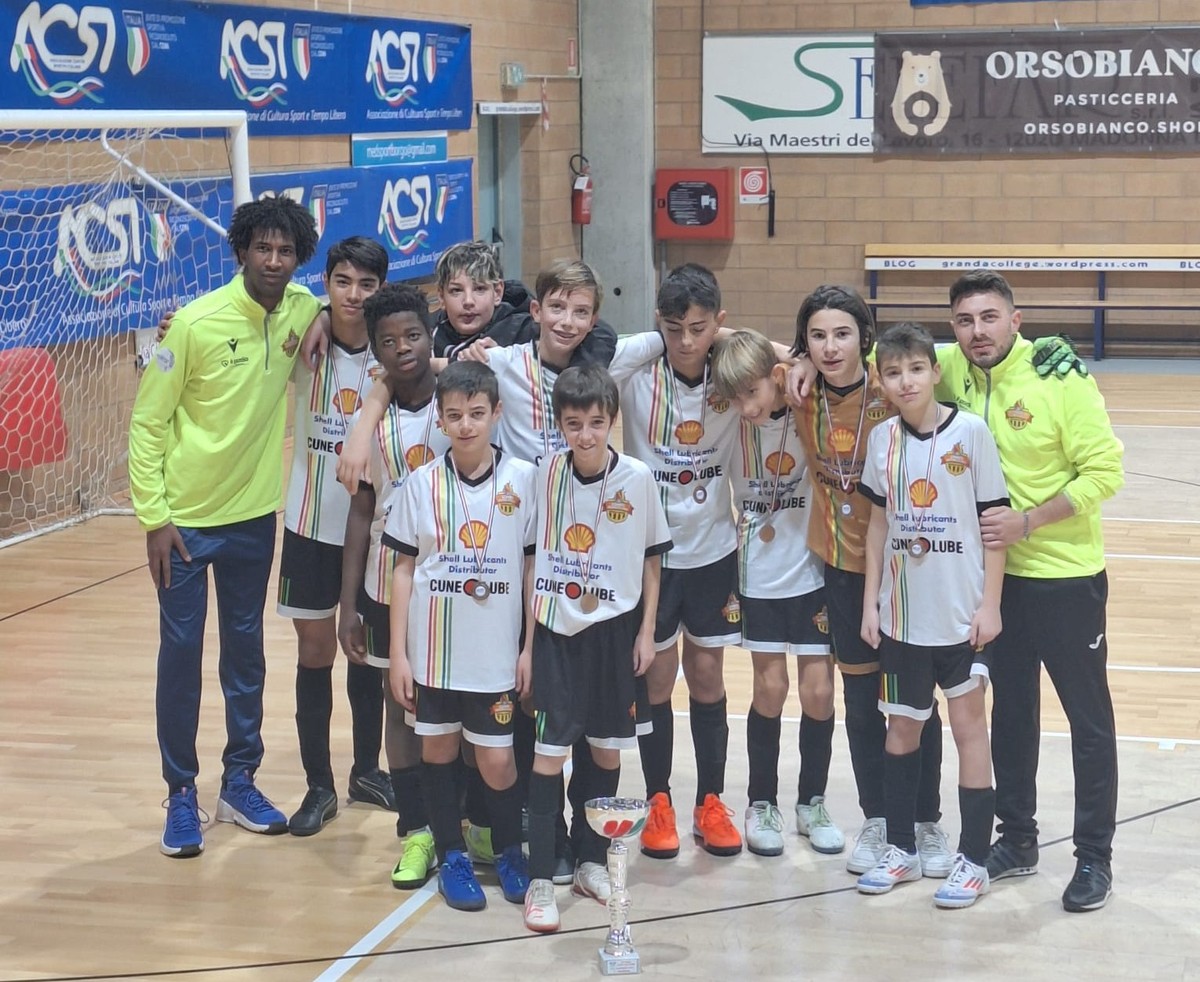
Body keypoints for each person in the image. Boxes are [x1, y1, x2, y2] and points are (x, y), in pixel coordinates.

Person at [128, 196, 321, 857]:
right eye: (262, 248)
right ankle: (181, 792)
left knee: (246, 655)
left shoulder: (302, 309)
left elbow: (340, 314)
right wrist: (154, 517)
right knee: (180, 655)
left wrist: (327, 316)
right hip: (182, 524)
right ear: (241, 251)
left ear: (299, 259)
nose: (273, 260)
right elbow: (147, 423)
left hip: (253, 520)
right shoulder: (191, 323)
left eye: (286, 250)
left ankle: (239, 781)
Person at [937, 270, 1124, 913]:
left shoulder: (1059, 378)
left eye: (990, 318)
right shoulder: (950, 368)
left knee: (1088, 722)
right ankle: (1017, 840)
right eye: (965, 321)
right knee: (1012, 716)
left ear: (1016, 322)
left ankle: (1094, 858)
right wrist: (795, 355)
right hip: (995, 584)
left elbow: (1105, 472)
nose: (978, 332)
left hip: (1067, 577)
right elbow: (859, 350)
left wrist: (1029, 522)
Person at [789, 286, 953, 878]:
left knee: (915, 703)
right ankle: (878, 819)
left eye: (842, 334)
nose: (830, 347)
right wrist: (794, 358)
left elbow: (946, 360)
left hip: (910, 570)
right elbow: (731, 342)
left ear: (866, 338)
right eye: (817, 336)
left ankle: (927, 819)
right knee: (860, 705)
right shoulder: (798, 389)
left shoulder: (894, 388)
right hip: (842, 570)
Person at [855, 323, 1007, 909]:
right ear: (881, 381)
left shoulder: (971, 433)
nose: (906, 381)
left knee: (970, 731)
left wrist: (990, 604)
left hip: (962, 617)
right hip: (902, 619)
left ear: (935, 372)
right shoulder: (882, 440)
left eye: (915, 369)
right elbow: (876, 525)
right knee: (902, 730)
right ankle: (902, 848)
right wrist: (871, 601)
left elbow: (994, 527)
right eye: (893, 373)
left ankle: (973, 860)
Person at [522, 364, 672, 933]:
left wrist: (646, 632)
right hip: (557, 633)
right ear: (560, 425)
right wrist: (528, 644)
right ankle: (542, 878)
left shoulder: (637, 478)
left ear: (612, 421)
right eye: (573, 424)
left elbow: (653, 561)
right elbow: (532, 561)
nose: (585, 435)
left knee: (607, 753)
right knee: (548, 755)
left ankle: (589, 861)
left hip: (615, 634)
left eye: (596, 423)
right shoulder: (544, 474)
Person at [384, 360, 537, 913]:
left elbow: (531, 568)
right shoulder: (420, 483)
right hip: (434, 652)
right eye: (454, 415)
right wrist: (398, 654)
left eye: (476, 413)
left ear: (497, 412)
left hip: (495, 652)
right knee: (439, 750)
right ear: (440, 419)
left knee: (497, 761)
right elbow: (404, 569)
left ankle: (509, 850)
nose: (466, 425)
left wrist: (530, 647)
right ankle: (451, 854)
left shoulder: (524, 479)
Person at [610, 263, 745, 861]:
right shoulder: (635, 373)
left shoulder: (733, 373)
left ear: (719, 322)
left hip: (714, 550)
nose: (686, 342)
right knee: (657, 679)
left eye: (699, 328)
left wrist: (727, 338)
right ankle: (658, 800)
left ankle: (710, 802)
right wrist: (658, 336)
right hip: (651, 558)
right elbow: (583, 355)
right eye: (673, 328)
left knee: (709, 676)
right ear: (658, 325)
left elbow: (786, 358)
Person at [709, 330, 843, 858]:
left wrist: (793, 358)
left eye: (752, 392)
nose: (745, 407)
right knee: (770, 688)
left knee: (819, 692)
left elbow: (822, 364)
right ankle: (760, 802)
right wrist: (719, 337)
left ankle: (812, 803)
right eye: (735, 398)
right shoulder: (731, 424)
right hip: (758, 572)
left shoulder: (810, 405)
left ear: (777, 377)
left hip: (812, 566)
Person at [279, 236, 394, 836]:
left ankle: (366, 771)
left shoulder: (392, 348)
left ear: (381, 288)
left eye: (366, 284)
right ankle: (318, 786)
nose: (353, 294)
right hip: (308, 524)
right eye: (342, 282)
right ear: (325, 283)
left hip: (371, 531)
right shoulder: (303, 337)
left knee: (365, 651)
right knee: (316, 650)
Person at [338, 283, 450, 888]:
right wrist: (348, 605)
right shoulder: (372, 421)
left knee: (459, 702)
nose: (402, 348)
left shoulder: (461, 396)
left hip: (460, 577)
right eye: (388, 341)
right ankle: (416, 829)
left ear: (430, 336)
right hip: (388, 580)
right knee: (399, 703)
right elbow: (361, 512)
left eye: (412, 336)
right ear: (375, 350)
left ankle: (466, 820)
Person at [431, 239, 616, 365]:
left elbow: (601, 332)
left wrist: (581, 376)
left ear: (497, 292)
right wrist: (445, 364)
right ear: (441, 296)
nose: (468, 301)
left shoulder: (522, 328)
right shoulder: (426, 329)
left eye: (480, 289)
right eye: (456, 291)